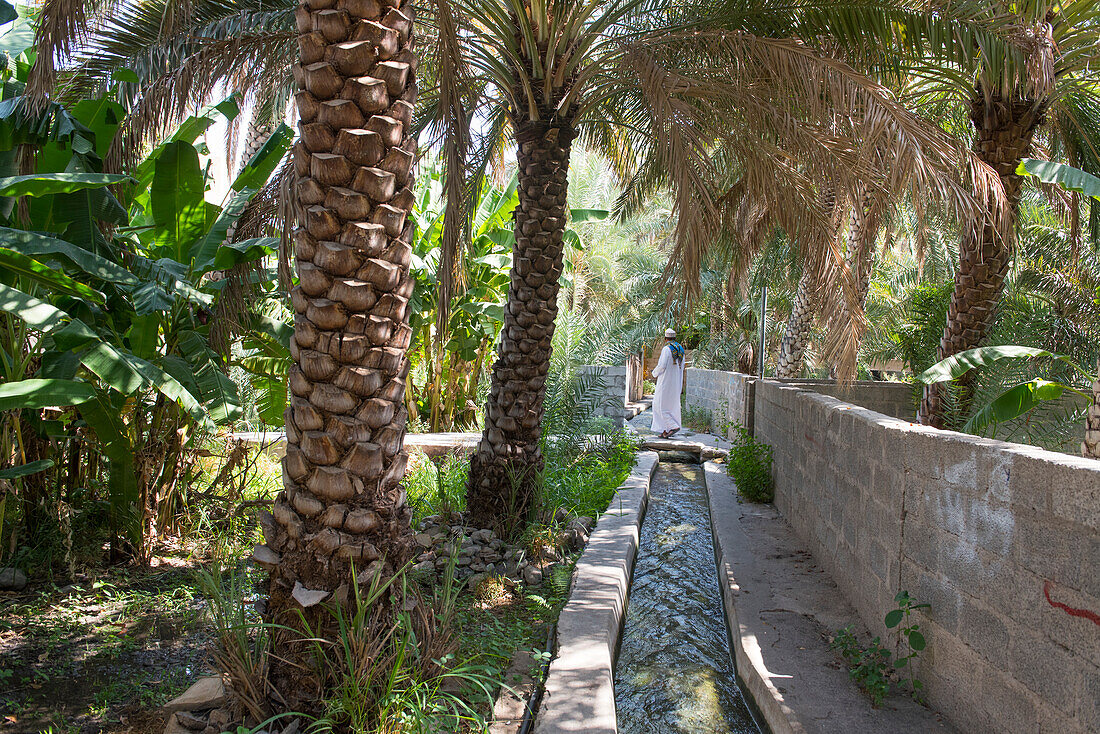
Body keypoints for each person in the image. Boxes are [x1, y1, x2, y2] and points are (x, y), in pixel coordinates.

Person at [651, 328, 685, 438]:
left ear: (665, 338)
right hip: (675, 383)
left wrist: (654, 373)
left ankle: (673, 426)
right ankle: (665, 431)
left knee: (659, 405)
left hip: (665, 382)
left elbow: (662, 366)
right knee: (671, 406)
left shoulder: (666, 349)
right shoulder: (680, 349)